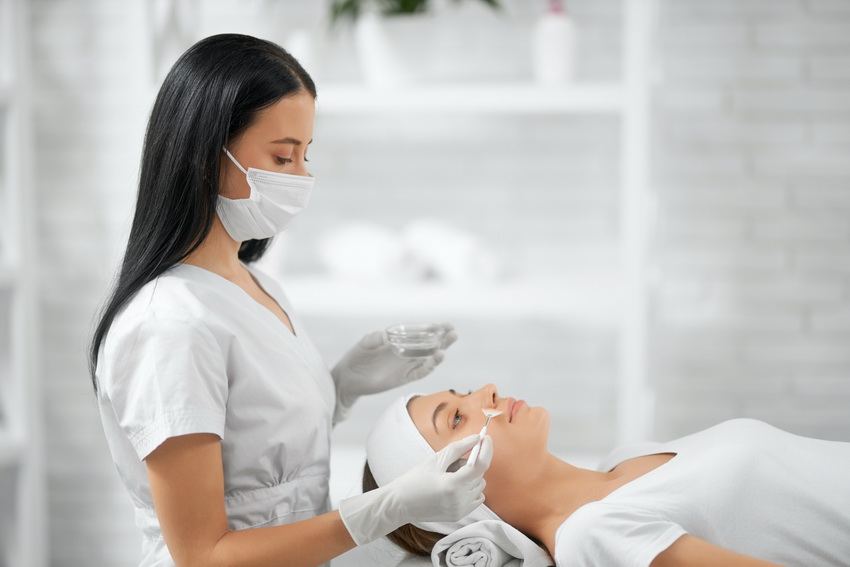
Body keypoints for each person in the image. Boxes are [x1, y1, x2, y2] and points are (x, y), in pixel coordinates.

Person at [89, 34, 493, 567]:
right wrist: (386, 509)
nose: (302, 176)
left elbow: (257, 458)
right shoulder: (168, 324)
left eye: (306, 154)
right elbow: (203, 556)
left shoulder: (255, 285)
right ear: (204, 155)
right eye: (283, 156)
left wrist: (341, 386)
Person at [363, 385, 850, 567]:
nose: (486, 391)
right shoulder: (593, 533)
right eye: (455, 418)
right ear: (453, 492)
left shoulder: (626, 457)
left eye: (463, 392)